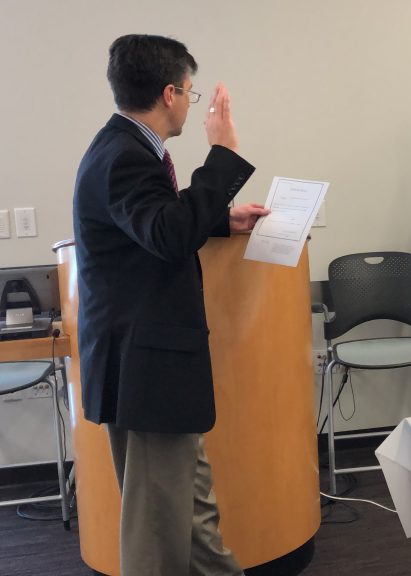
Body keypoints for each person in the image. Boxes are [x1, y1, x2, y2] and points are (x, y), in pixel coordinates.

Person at [72, 34, 268, 575]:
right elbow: (165, 235)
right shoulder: (127, 157)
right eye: (190, 92)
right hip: (147, 369)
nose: (192, 103)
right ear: (169, 93)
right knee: (159, 530)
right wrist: (223, 155)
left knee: (192, 514)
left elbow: (152, 228)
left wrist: (220, 221)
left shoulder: (124, 148)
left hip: (147, 369)